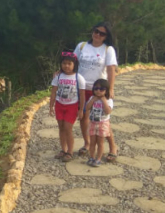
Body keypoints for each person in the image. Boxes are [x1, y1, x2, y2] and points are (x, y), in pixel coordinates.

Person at [74, 22, 118, 162]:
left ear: (106, 36)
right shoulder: (82, 46)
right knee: (84, 117)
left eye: (102, 33)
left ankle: (112, 147)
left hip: (98, 90)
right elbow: (72, 63)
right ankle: (87, 143)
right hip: (82, 87)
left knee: (103, 119)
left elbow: (111, 70)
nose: (97, 35)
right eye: (96, 31)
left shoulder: (108, 49)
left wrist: (110, 89)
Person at [48, 52, 86, 163]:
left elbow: (82, 95)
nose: (66, 66)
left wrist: (81, 109)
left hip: (72, 106)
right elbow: (53, 92)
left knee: (68, 128)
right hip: (60, 105)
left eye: (69, 63)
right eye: (64, 63)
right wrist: (51, 106)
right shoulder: (58, 76)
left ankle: (70, 151)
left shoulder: (79, 78)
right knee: (61, 128)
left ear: (74, 64)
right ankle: (63, 149)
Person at [84, 79, 113, 167]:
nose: (98, 91)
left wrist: (103, 100)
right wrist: (93, 100)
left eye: (101, 89)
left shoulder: (109, 100)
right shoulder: (92, 98)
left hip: (103, 123)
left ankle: (99, 158)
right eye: (96, 89)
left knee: (100, 142)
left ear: (106, 90)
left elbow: (108, 111)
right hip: (93, 122)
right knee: (92, 141)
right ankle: (92, 157)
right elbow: (87, 108)